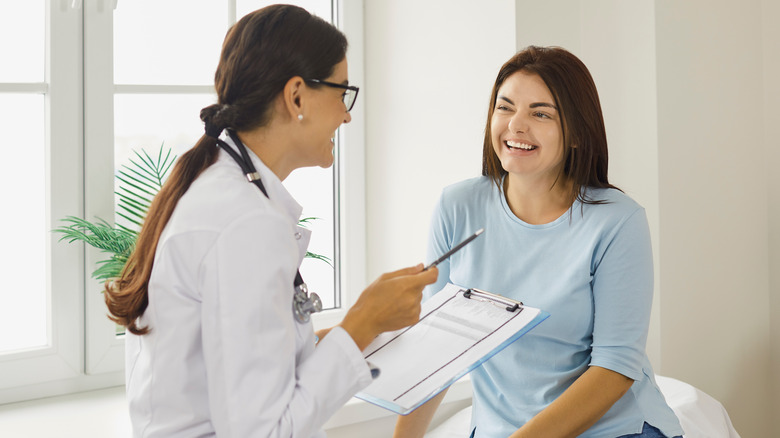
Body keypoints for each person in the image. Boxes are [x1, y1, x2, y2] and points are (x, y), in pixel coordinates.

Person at [103, 5, 437, 437]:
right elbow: (263, 431)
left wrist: (365, 325)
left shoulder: (219, 186)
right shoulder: (245, 223)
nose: (347, 115)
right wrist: (363, 322)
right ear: (296, 96)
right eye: (342, 92)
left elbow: (255, 363)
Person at [394, 46, 684, 438]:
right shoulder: (457, 206)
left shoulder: (617, 221)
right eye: (505, 107)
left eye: (540, 113)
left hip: (612, 429)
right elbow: (439, 348)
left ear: (577, 133)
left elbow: (614, 368)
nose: (515, 125)